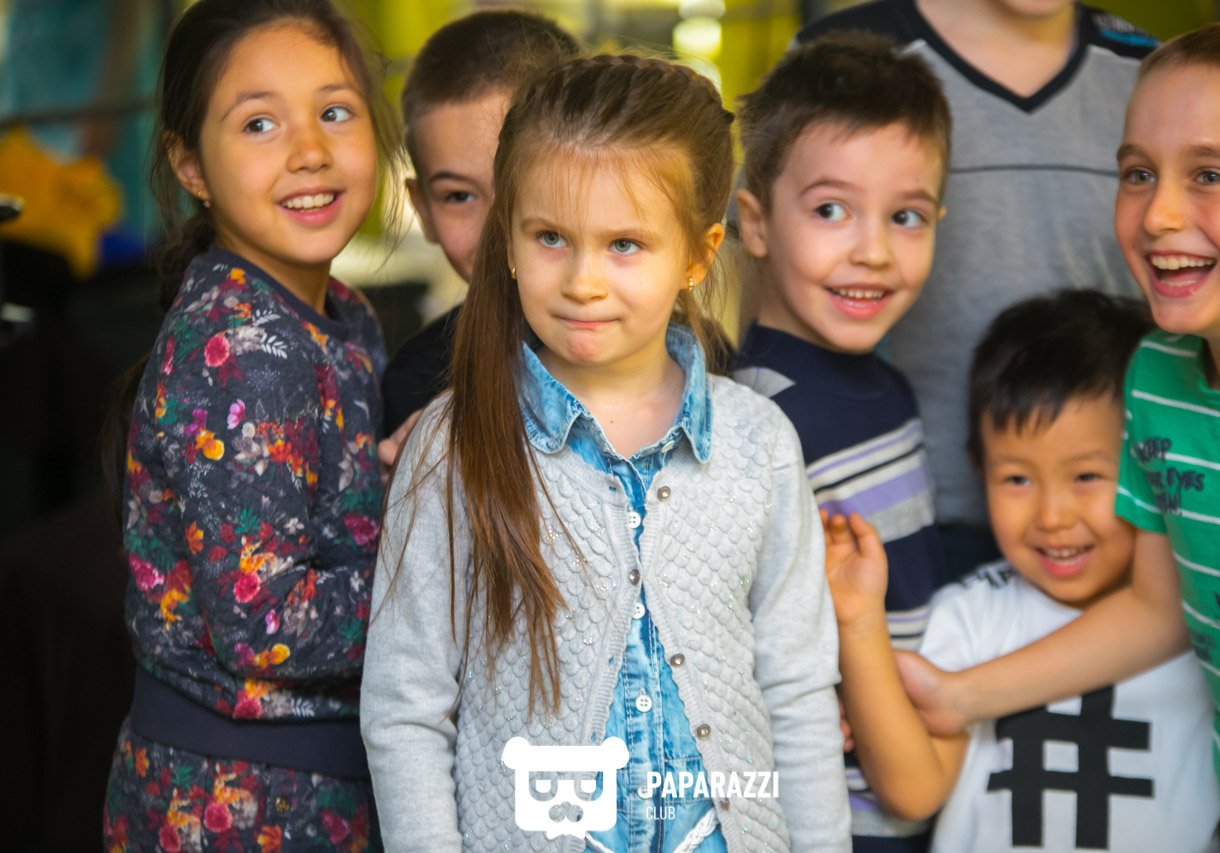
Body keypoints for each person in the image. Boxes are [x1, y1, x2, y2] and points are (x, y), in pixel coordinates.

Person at [361, 55, 850, 852]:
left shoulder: (760, 445)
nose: (583, 281)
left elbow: (796, 692)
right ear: (509, 241)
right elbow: (406, 709)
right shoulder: (451, 447)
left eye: (625, 244)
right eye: (551, 237)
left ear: (698, 254)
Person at [890, 22, 1220, 853]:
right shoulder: (1157, 377)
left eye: (1208, 174)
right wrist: (956, 695)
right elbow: (1158, 608)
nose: (1159, 212)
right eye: (1137, 173)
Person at [101, 1, 399, 849]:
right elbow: (265, 620)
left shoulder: (344, 312)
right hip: (241, 801)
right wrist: (452, 586)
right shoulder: (242, 350)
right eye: (260, 123)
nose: (310, 150)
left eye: (335, 112)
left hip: (317, 781)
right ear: (190, 165)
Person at [825, 291, 1220, 852]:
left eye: (1086, 476)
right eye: (1017, 479)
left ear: (1150, 473)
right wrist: (859, 621)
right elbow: (914, 792)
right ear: (978, 468)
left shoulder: (1206, 622)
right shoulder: (972, 614)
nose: (1052, 518)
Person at [796, 0, 1157, 577]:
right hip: (886, 526)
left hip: (1121, 523)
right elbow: (767, 285)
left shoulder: (1147, 67)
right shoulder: (843, 52)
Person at [730, 32, 950, 852]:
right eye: (830, 210)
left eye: (906, 216)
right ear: (755, 222)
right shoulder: (756, 424)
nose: (874, 250)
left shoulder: (886, 386)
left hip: (924, 790)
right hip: (830, 820)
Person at [380, 10, 580, 434]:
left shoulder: (686, 360)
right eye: (458, 196)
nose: (497, 230)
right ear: (424, 211)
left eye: (518, 183)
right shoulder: (415, 384)